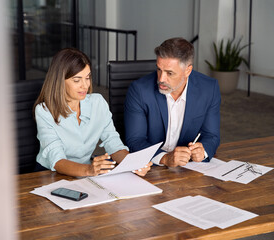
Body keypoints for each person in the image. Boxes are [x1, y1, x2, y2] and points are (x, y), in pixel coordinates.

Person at [34, 48, 151, 177]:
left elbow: (113, 142)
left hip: (85, 172)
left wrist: (133, 163)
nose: (85, 85)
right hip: (50, 174)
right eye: (77, 80)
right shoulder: (44, 111)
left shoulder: (98, 102)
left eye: (88, 78)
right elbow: (57, 160)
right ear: (60, 81)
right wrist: (89, 170)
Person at [124, 37, 221, 167]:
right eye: (159, 69)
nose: (161, 78)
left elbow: (212, 135)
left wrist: (203, 151)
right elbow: (135, 141)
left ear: (188, 70)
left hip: (188, 167)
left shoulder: (209, 89)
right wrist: (164, 158)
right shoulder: (139, 90)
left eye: (169, 73)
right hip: (149, 167)